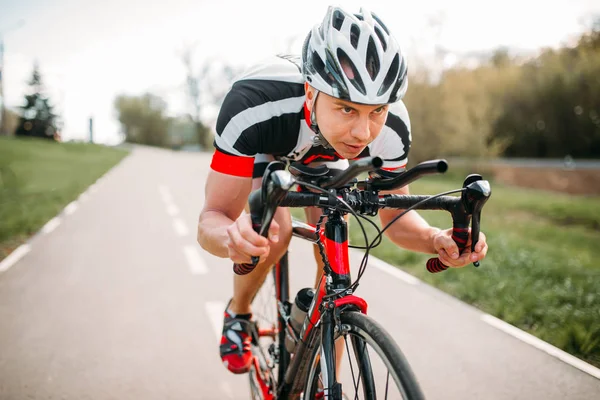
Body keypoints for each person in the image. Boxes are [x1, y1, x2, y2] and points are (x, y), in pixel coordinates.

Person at [197, 5, 489, 374]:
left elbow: (393, 217)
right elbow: (212, 218)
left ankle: (323, 371)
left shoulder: (392, 128)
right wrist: (230, 238)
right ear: (310, 91)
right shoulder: (253, 105)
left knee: (335, 237)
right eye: (347, 109)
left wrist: (435, 239)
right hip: (270, 141)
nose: (364, 132)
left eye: (376, 110)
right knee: (273, 231)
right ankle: (238, 313)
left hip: (324, 153)